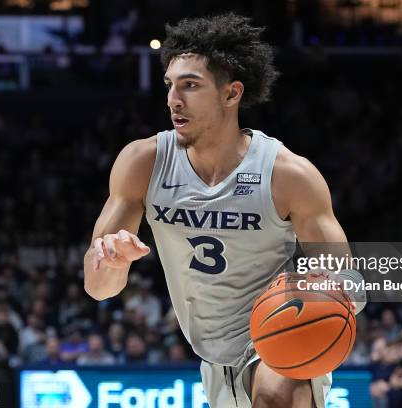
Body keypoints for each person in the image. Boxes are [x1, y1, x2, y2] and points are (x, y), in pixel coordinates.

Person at [83, 13, 365, 408]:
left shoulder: (287, 174)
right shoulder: (142, 162)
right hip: (212, 354)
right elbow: (99, 289)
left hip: (282, 329)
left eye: (191, 86)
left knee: (275, 396)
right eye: (170, 85)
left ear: (232, 94)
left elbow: (351, 284)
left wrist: (326, 285)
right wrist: (111, 259)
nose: (173, 100)